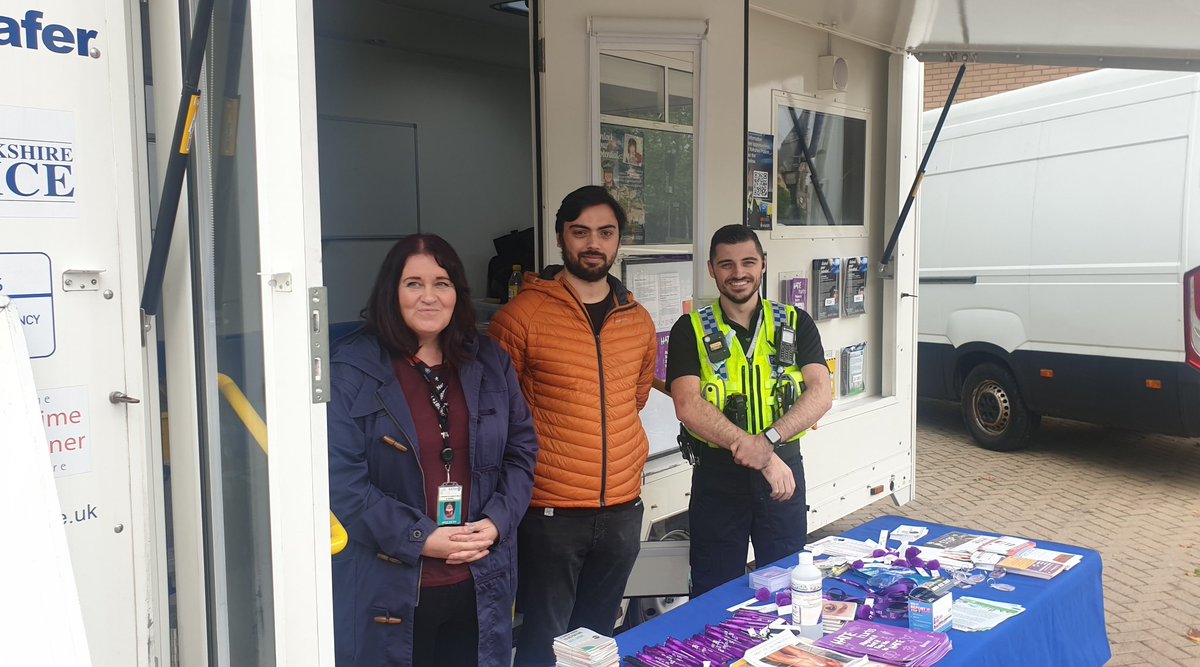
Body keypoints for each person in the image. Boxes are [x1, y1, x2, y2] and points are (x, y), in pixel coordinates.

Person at [328, 234, 538, 667]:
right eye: (414, 284)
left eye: (441, 283)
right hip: (392, 586)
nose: (429, 297)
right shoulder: (350, 369)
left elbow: (522, 451)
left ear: (457, 293)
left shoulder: (490, 360)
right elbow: (341, 483)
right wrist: (422, 538)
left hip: (482, 580)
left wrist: (498, 521)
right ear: (391, 291)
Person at [489, 185, 658, 667]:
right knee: (545, 638)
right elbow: (500, 414)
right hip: (550, 513)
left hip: (623, 507)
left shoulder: (637, 319)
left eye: (605, 233)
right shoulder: (522, 316)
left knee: (597, 640)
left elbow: (636, 397)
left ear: (619, 240)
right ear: (561, 237)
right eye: (580, 232)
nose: (593, 243)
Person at [667, 224, 832, 596]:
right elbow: (687, 405)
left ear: (763, 265)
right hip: (719, 478)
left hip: (784, 472)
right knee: (714, 590)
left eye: (748, 262)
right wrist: (759, 454)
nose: (738, 273)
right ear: (711, 269)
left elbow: (821, 393)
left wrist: (769, 443)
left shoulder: (794, 323)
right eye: (726, 264)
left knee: (789, 586)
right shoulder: (689, 329)